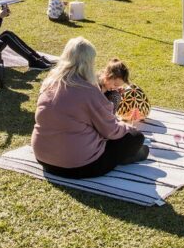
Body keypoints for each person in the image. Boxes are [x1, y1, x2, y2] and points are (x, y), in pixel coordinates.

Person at [31, 37, 147, 179]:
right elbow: (111, 130)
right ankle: (129, 156)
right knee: (135, 138)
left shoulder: (49, 83)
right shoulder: (89, 91)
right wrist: (129, 128)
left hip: (43, 158)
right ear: (89, 63)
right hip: (78, 166)